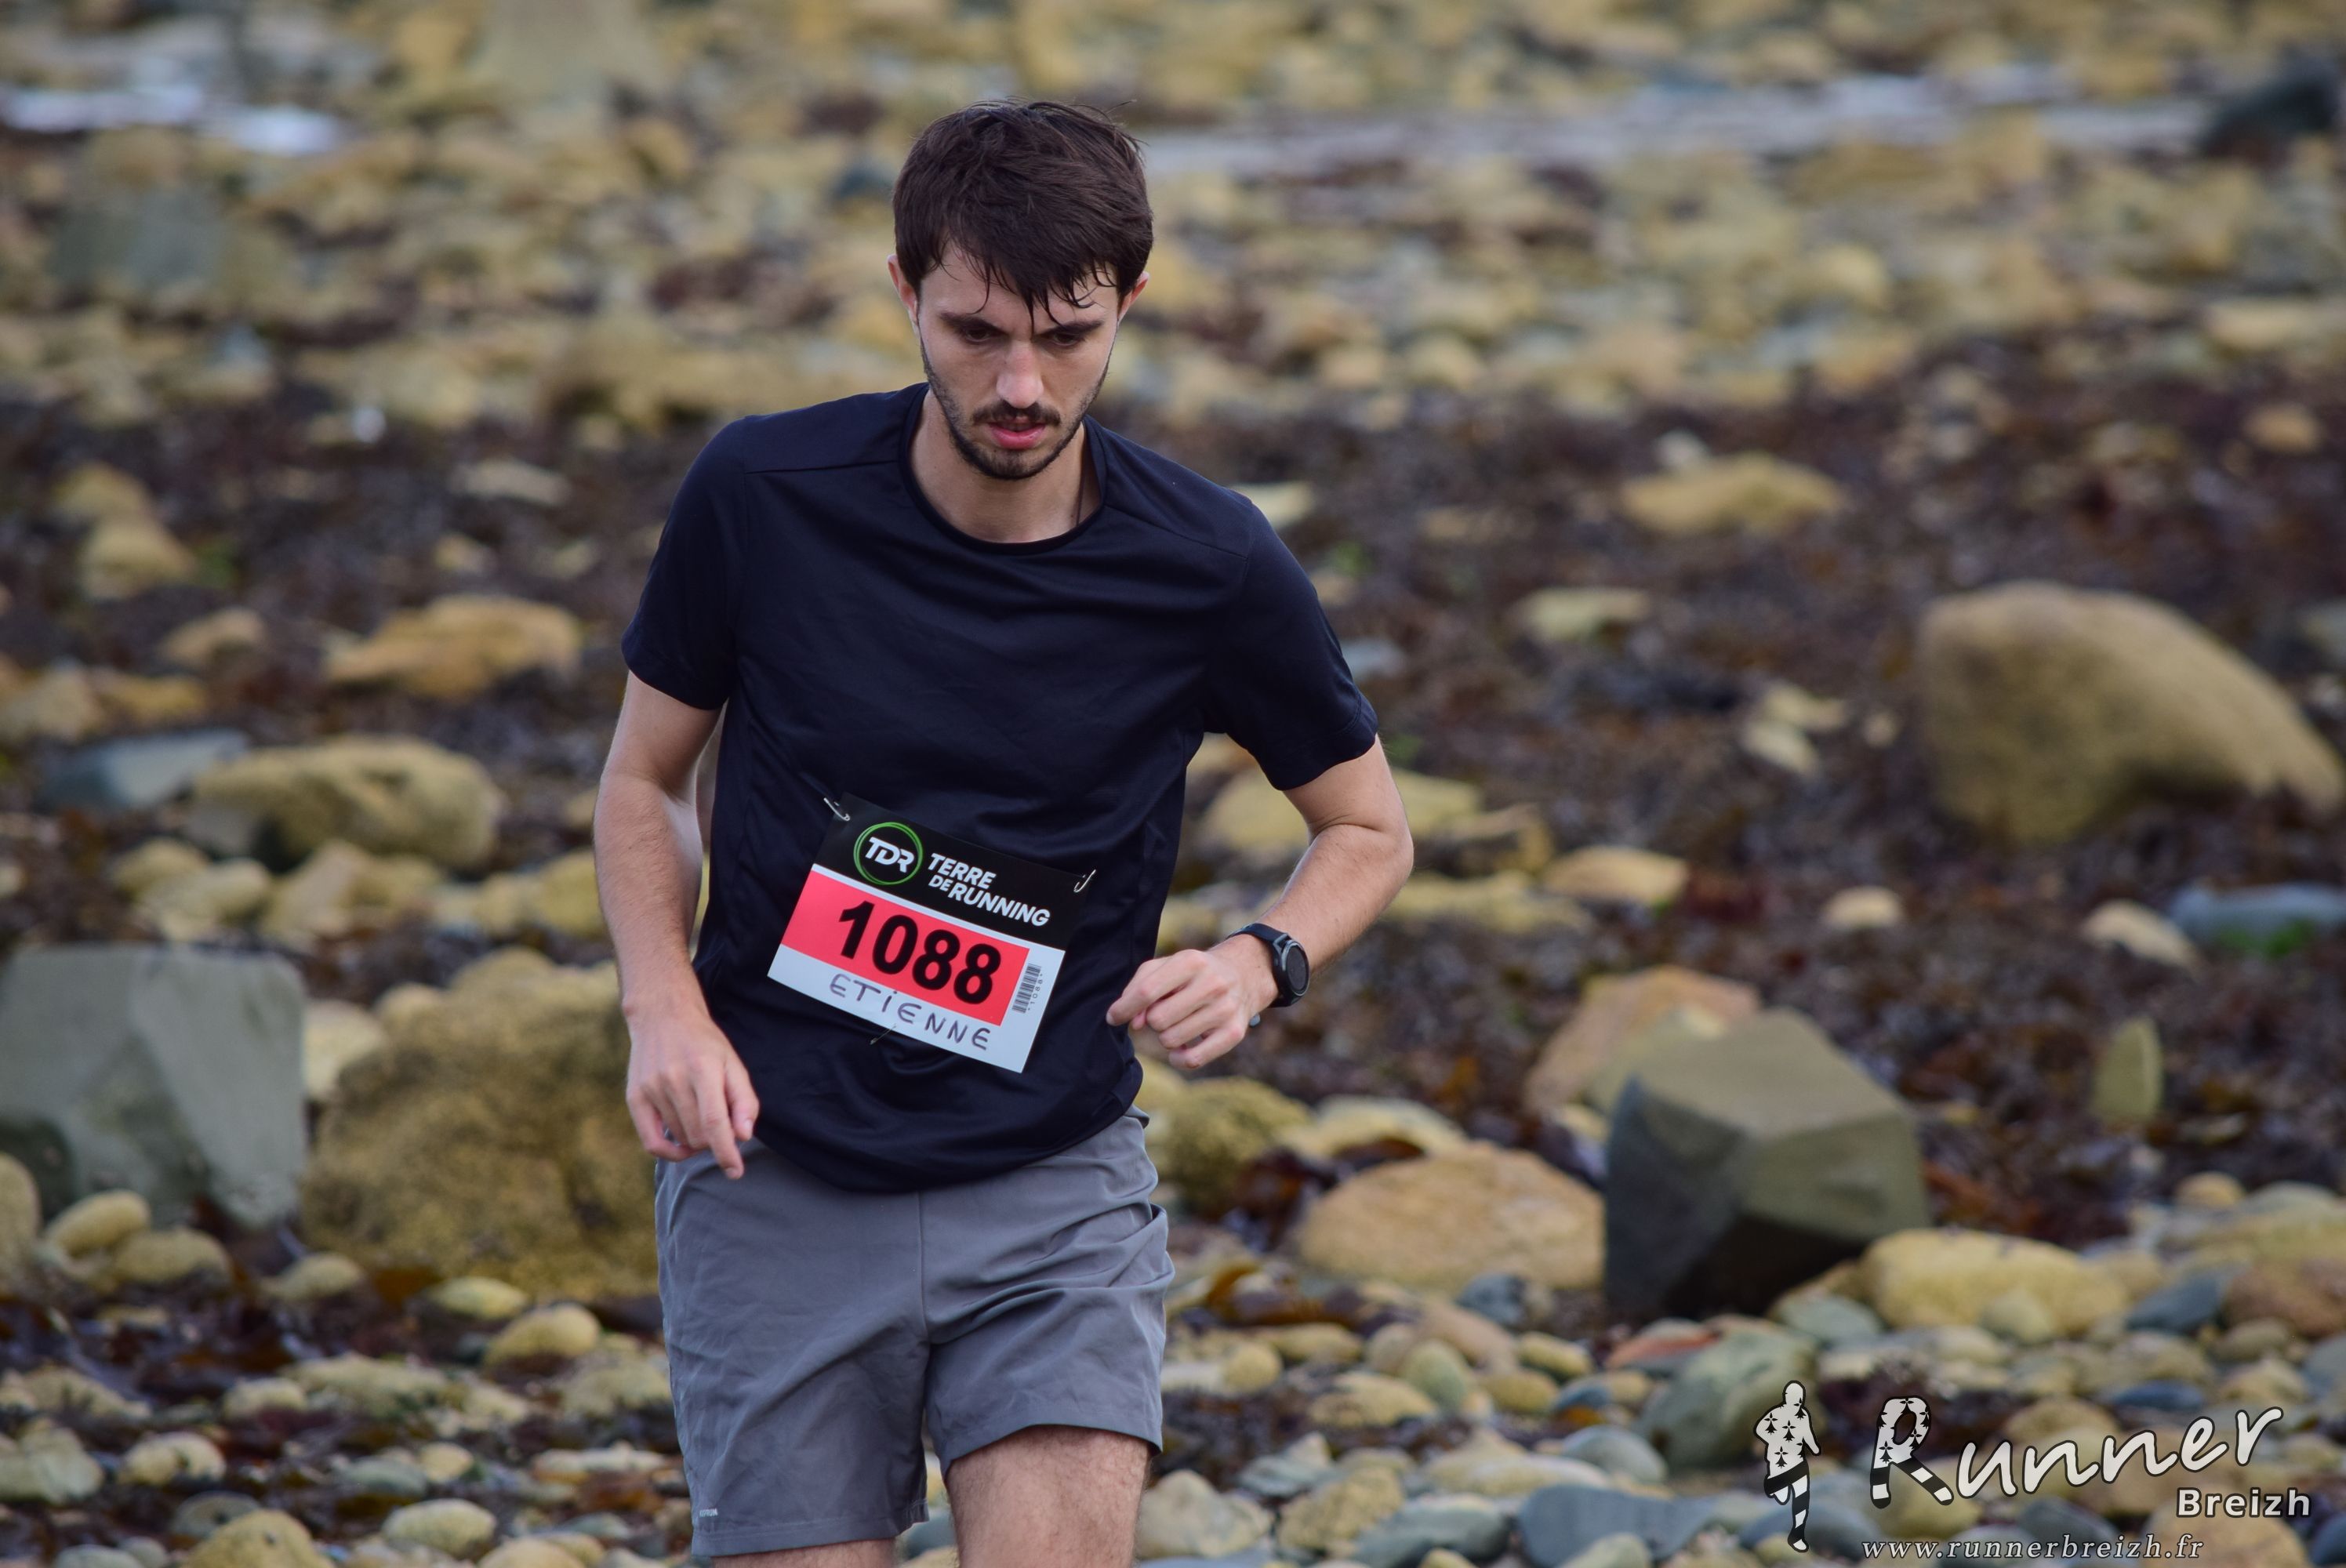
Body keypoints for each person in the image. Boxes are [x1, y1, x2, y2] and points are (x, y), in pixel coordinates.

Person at [592, 99, 1414, 1568]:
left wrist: (1258, 960)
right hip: (771, 1169)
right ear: (905, 292)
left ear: (1129, 306)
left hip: (1051, 1186)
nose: (1022, 384)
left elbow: (1366, 824)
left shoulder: (1207, 563)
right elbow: (645, 780)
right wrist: (664, 1009)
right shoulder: (761, 500)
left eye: (1067, 335)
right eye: (975, 332)